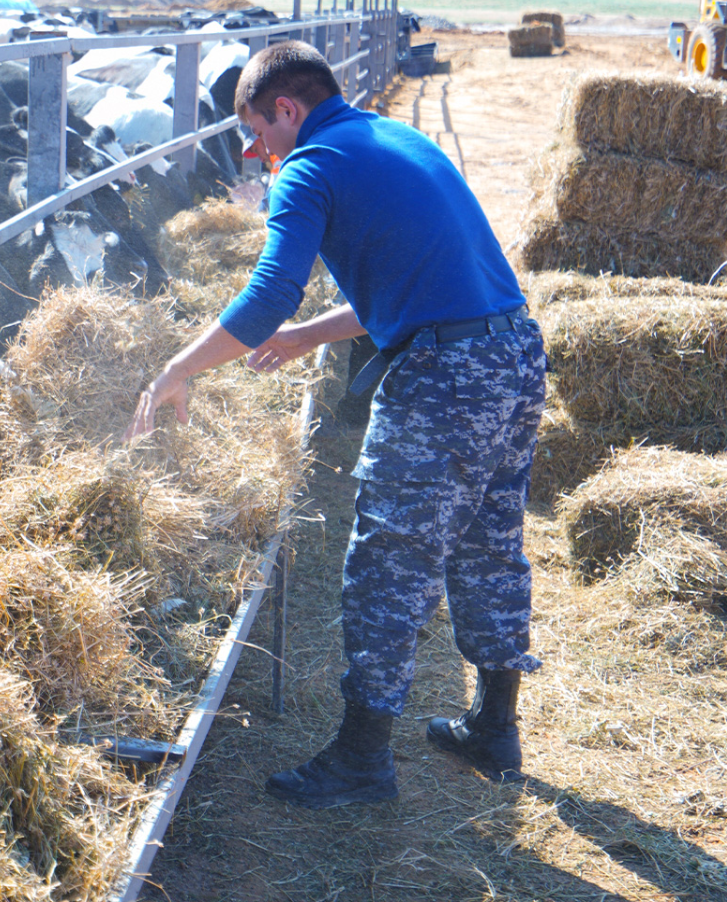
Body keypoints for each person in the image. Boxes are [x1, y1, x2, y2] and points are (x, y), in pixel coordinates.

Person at [124, 41, 546, 809]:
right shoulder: (395, 140)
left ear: (286, 109)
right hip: (510, 355)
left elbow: (265, 296)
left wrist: (177, 369)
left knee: (389, 562)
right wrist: (308, 337)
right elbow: (417, 287)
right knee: (489, 542)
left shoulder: (311, 167)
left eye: (254, 131)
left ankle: (359, 763)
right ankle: (495, 726)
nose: (253, 152)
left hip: (444, 380)